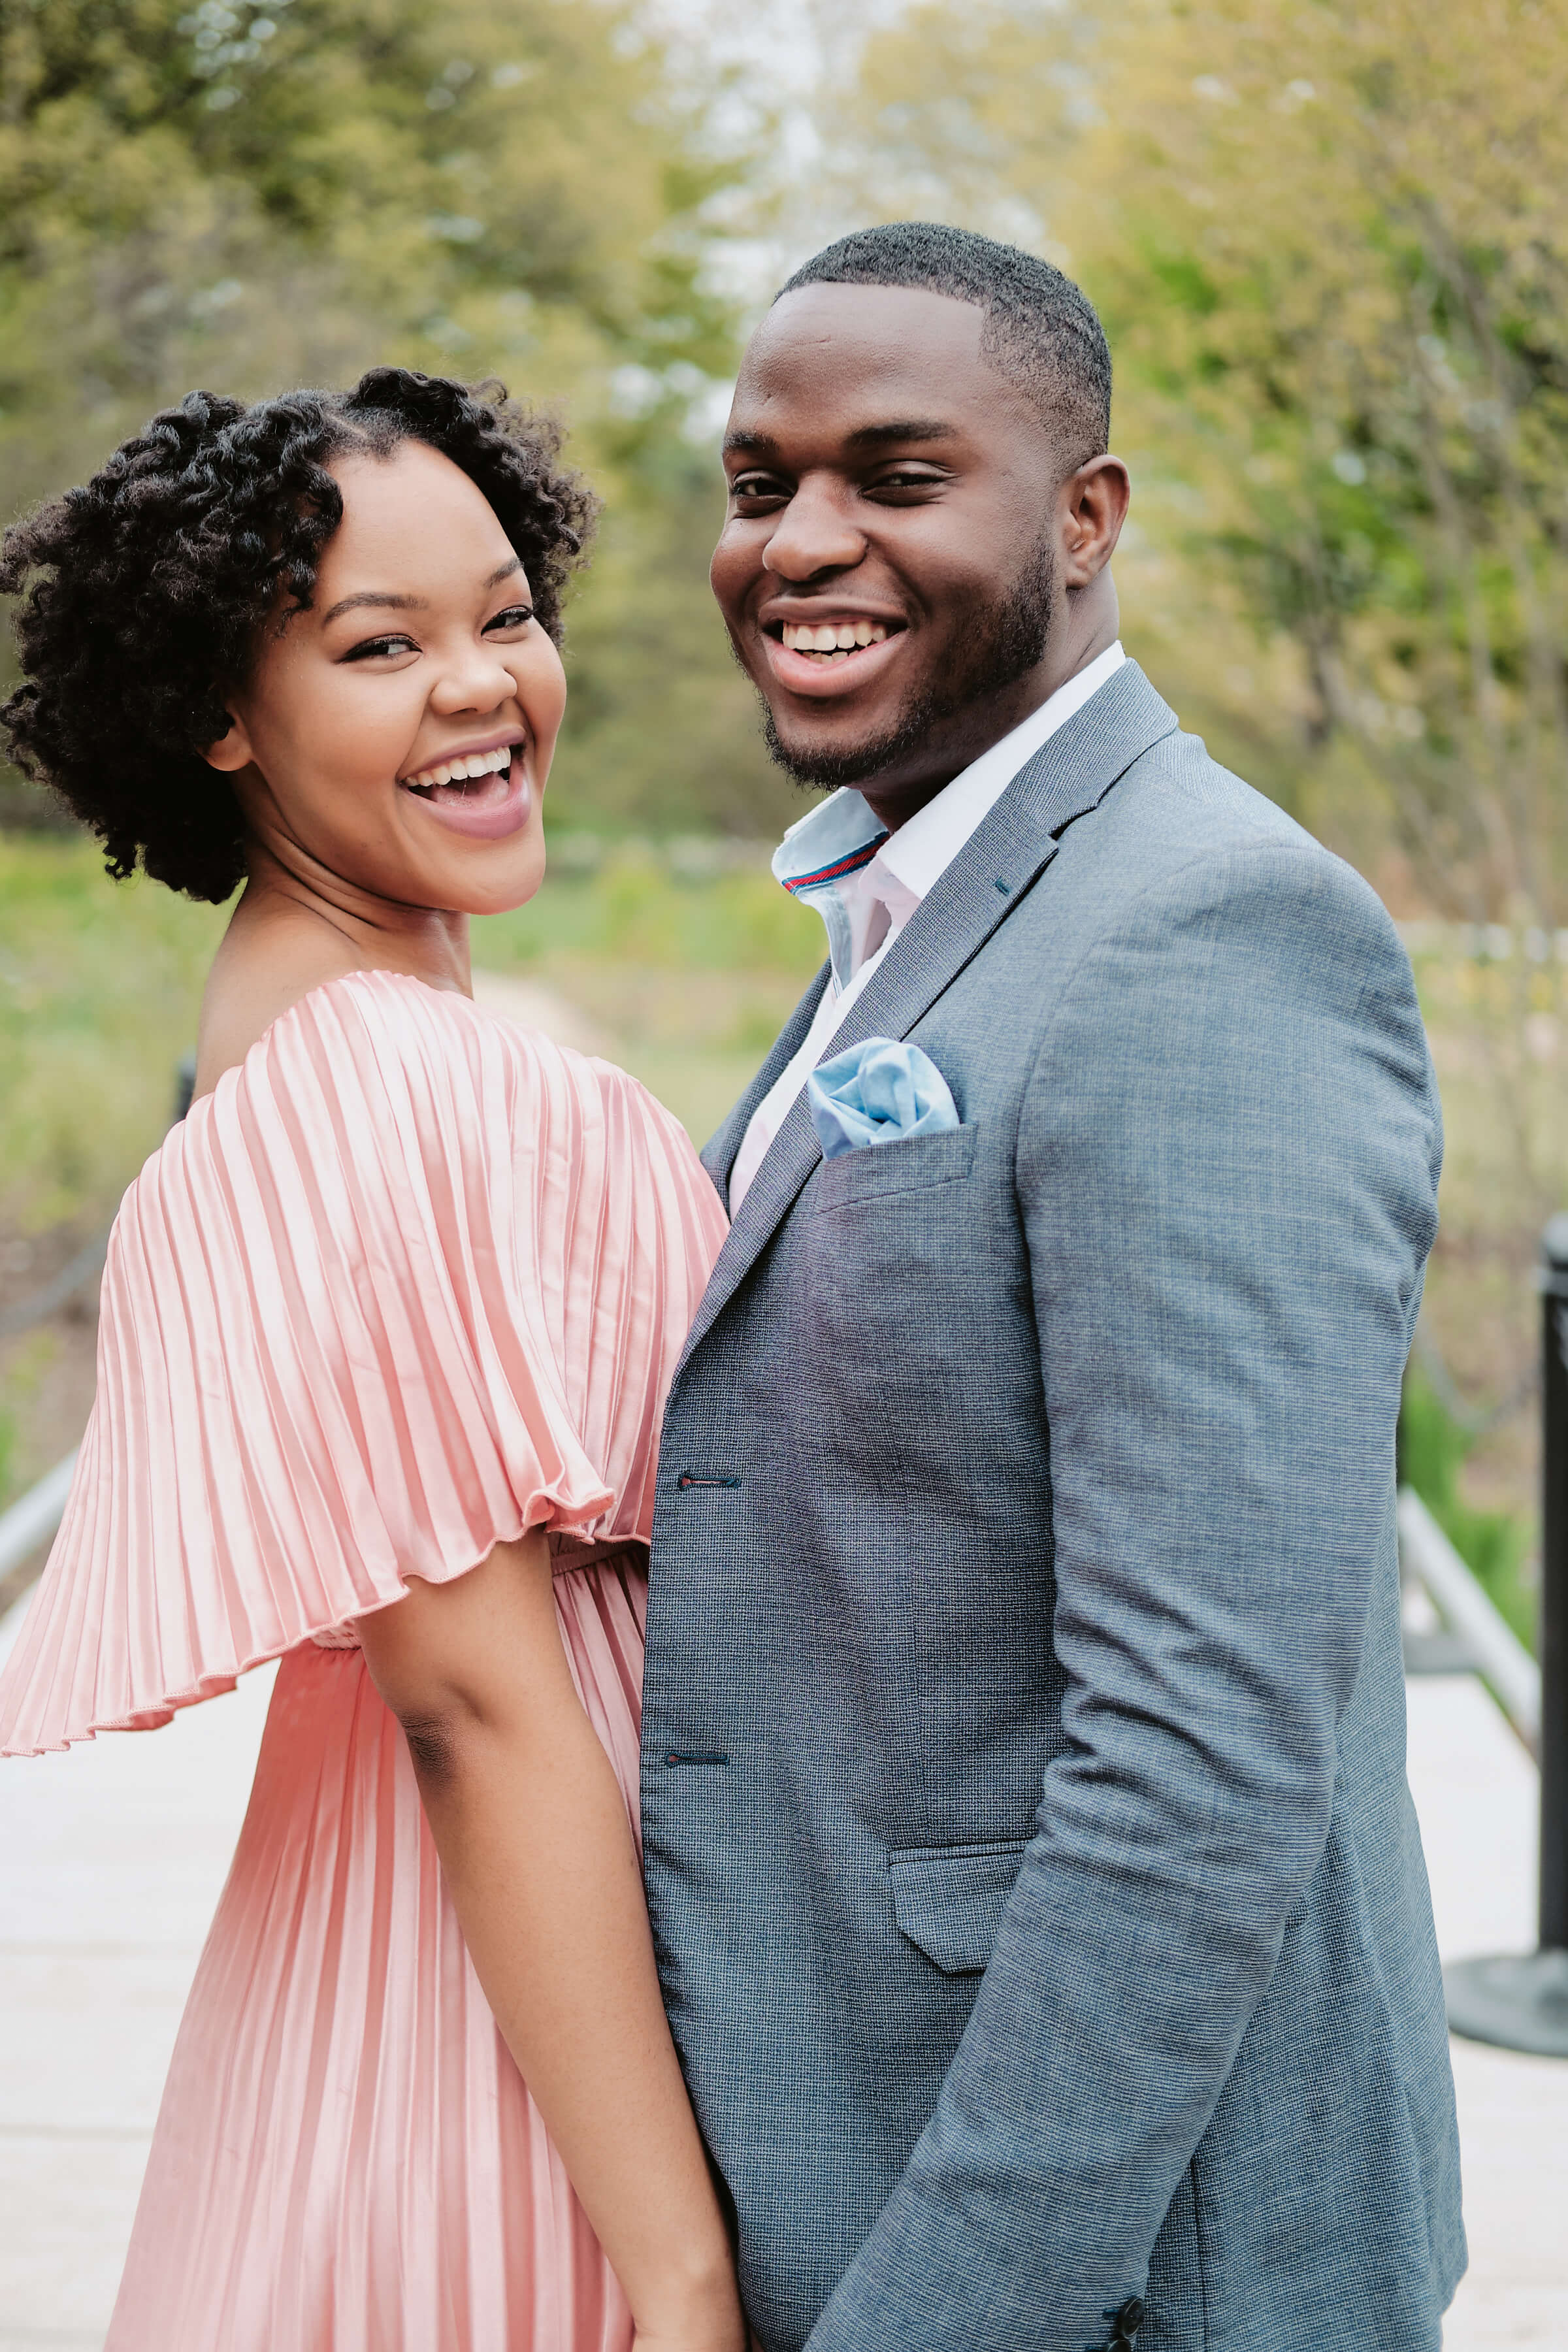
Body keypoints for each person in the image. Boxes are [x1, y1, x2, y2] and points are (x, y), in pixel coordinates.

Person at [640, 223, 1463, 2352]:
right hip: (852, 2153)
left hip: (1106, 2274)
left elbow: (1200, 1754)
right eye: (760, 485)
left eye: (899, 477)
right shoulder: (910, 902)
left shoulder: (1208, 932)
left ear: (1085, 517)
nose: (801, 543)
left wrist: (947, 2313)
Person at [0, 369, 743, 2352]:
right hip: (495, 2054)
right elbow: (479, 1709)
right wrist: (676, 2279)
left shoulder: (319, 1020)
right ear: (222, 714)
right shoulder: (369, 1081)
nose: (482, 686)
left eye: (506, 615)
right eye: (379, 646)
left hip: (424, 1967)